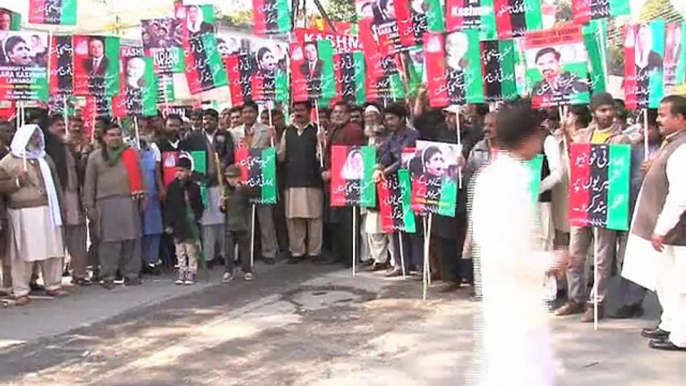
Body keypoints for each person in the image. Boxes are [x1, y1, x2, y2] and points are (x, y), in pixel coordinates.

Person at [472, 100, 566, 386]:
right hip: (512, 293)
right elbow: (506, 253)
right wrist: (550, 261)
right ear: (529, 137)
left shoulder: (497, 174)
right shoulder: (509, 180)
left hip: (509, 291)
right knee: (518, 368)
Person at [554, 92, 632, 322]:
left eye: (610, 110)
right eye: (602, 110)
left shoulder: (621, 139)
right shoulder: (584, 134)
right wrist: (568, 133)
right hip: (581, 200)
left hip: (606, 203)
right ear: (593, 110)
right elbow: (575, 159)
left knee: (601, 257)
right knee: (575, 254)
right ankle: (575, 299)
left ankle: (597, 302)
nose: (608, 114)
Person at [621, 95, 686, 351]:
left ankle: (681, 336)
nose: (658, 119)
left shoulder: (682, 147)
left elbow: (680, 195)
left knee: (680, 284)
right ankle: (671, 324)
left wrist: (661, 228)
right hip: (669, 230)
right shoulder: (671, 143)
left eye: (663, 115)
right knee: (666, 280)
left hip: (677, 230)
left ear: (681, 119)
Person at [0, 124, 67, 306]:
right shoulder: (9, 161)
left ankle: (53, 284)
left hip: (48, 210)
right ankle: (21, 290)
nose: (36, 140)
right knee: (23, 253)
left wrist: (61, 205)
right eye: (32, 138)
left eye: (38, 137)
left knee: (52, 250)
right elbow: (2, 186)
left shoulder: (45, 159)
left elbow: (56, 184)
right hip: (22, 213)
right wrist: (16, 182)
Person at [611, 109, 662, 319]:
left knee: (665, 262)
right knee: (631, 257)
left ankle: (671, 313)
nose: (645, 130)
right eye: (643, 126)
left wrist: (657, 167)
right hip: (633, 210)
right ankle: (631, 301)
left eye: (650, 126)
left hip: (660, 212)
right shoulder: (635, 146)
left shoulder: (670, 148)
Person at [84, 124, 145, 290]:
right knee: (108, 242)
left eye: (118, 134)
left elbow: (140, 176)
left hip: (129, 201)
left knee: (131, 239)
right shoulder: (95, 157)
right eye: (111, 135)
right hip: (105, 203)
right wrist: (90, 207)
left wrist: (143, 197)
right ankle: (108, 275)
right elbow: (89, 185)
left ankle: (131, 274)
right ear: (104, 137)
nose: (115, 138)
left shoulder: (131, 154)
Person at [373, 103, 421, 277]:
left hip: (411, 184)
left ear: (403, 118)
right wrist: (378, 168)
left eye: (392, 118)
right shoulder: (390, 138)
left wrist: (386, 170)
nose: (389, 122)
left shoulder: (414, 136)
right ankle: (400, 264)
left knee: (414, 227)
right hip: (393, 186)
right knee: (396, 224)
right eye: (387, 119)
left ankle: (419, 265)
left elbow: (405, 159)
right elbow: (385, 156)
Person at [44, 114, 91, 287]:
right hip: (56, 197)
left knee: (78, 235)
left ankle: (79, 273)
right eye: (58, 125)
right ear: (49, 128)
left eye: (63, 125)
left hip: (74, 196)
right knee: (58, 238)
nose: (62, 128)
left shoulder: (69, 146)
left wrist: (82, 155)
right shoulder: (46, 149)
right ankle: (53, 279)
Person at [230, 101, 279, 264]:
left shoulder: (267, 130)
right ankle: (245, 253)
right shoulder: (234, 133)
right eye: (245, 112)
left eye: (251, 112)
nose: (247, 115)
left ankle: (269, 252)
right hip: (243, 180)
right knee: (245, 219)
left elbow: (277, 154)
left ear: (256, 113)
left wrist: (274, 141)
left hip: (263, 179)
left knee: (266, 219)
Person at [277, 101, 324, 264]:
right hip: (291, 180)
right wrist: (272, 141)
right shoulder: (287, 132)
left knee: (314, 218)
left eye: (301, 110)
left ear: (309, 111)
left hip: (312, 180)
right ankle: (297, 251)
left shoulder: (317, 130)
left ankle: (314, 252)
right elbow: (280, 156)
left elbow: (322, 158)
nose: (298, 113)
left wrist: (322, 143)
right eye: (295, 110)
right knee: (293, 218)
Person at [323, 102, 366, 266]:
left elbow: (355, 156)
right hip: (333, 184)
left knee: (348, 221)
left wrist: (333, 173)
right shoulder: (333, 129)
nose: (337, 116)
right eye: (335, 113)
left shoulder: (354, 131)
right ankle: (338, 253)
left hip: (347, 182)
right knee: (335, 221)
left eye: (341, 113)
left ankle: (350, 256)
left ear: (348, 114)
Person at [361, 105, 392, 271]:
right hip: (368, 186)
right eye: (367, 117)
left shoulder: (387, 136)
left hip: (385, 183)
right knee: (372, 227)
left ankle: (394, 260)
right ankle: (378, 259)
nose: (370, 119)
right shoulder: (363, 137)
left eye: (373, 116)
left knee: (389, 226)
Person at [164, 157, 203, 285]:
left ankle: (192, 271)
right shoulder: (172, 187)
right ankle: (182, 270)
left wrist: (195, 217)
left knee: (191, 250)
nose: (179, 173)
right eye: (177, 170)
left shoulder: (194, 187)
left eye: (182, 170)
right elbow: (168, 207)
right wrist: (168, 224)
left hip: (189, 223)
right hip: (177, 223)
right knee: (179, 250)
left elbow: (199, 206)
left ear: (188, 172)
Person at [220, 164, 255, 281]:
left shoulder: (244, 190)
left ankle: (247, 270)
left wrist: (241, 187)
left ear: (239, 177)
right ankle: (228, 271)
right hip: (229, 225)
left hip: (242, 224)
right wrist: (222, 205)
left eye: (233, 177)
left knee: (245, 249)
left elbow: (252, 197)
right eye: (229, 177)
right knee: (228, 251)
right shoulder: (226, 191)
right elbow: (223, 210)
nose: (231, 180)